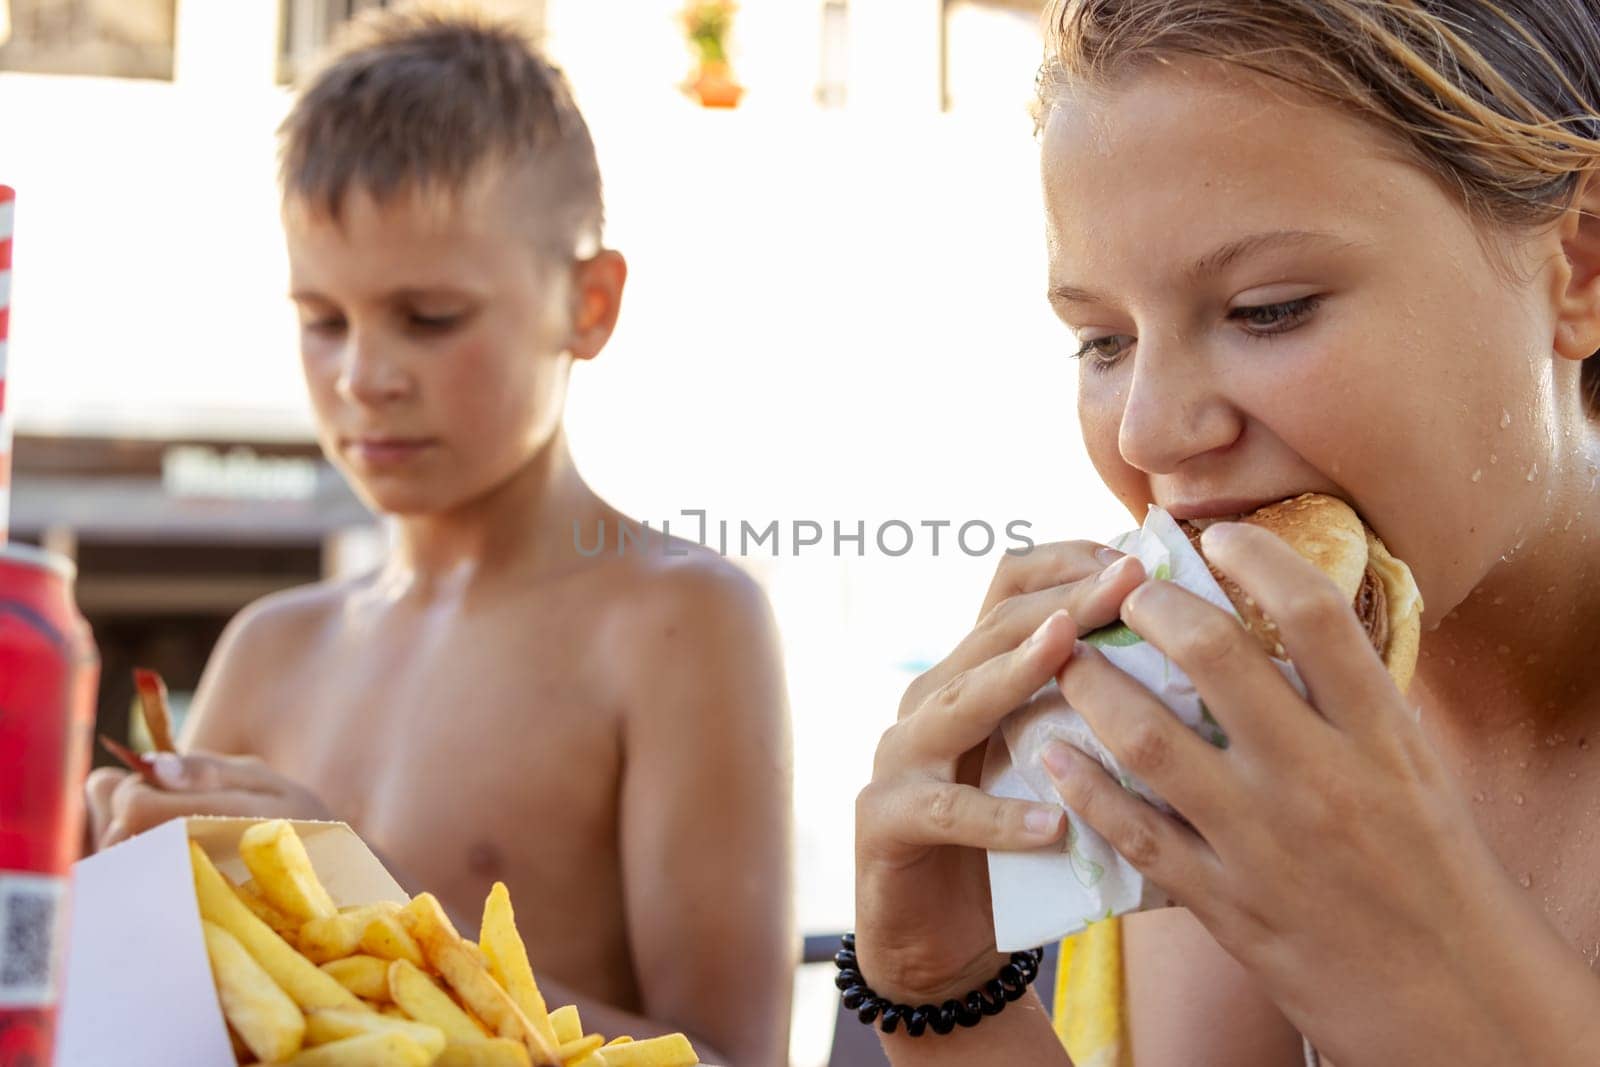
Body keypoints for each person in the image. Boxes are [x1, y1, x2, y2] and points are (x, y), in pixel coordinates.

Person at [854, 0, 1600, 1063]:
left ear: (1576, 262)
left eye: (1268, 308)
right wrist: (942, 992)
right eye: (1102, 341)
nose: (1150, 431)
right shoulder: (1225, 733)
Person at [85, 10, 794, 1064]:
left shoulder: (677, 619)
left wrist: (365, 907)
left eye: (428, 316)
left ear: (587, 304)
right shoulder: (269, 646)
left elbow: (734, 1055)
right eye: (323, 318)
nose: (364, 374)